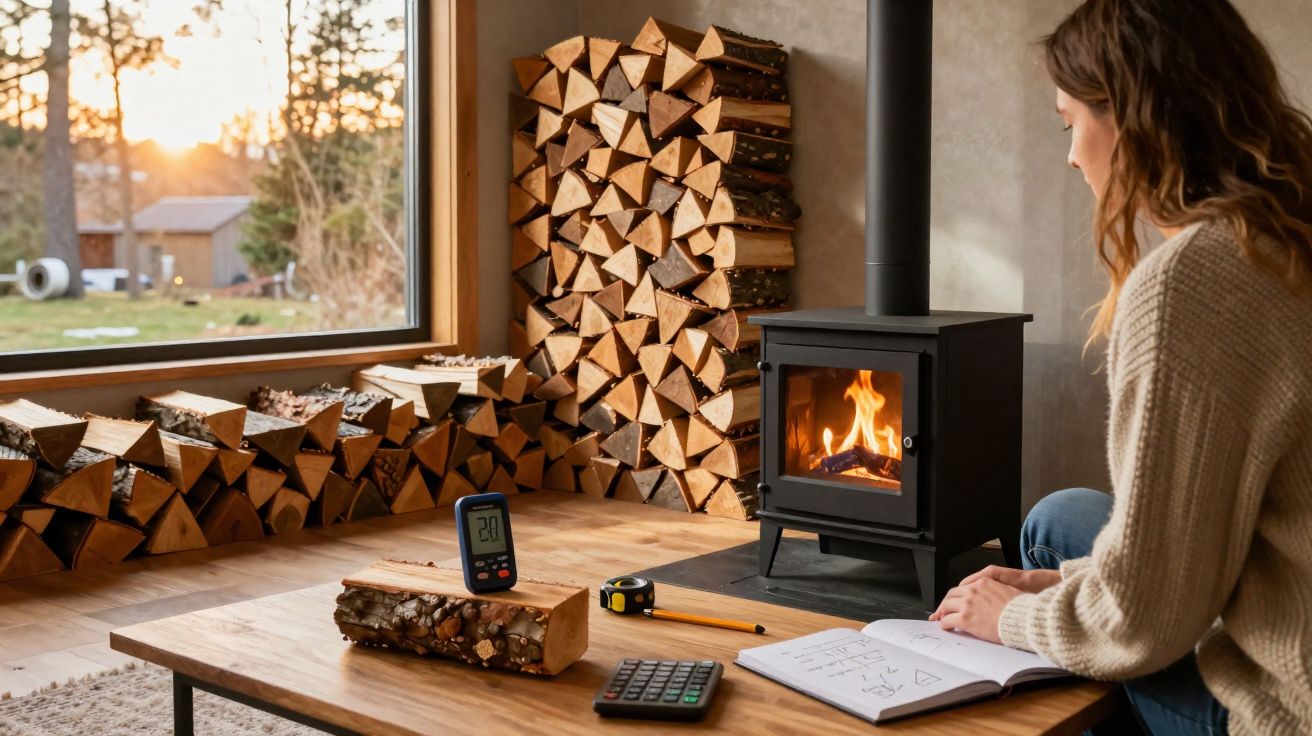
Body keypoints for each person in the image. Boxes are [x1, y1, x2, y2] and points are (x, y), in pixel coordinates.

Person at [926, 1, 1312, 734]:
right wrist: (1062, 585)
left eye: (1069, 123)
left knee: (1079, 628)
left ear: (1133, 118)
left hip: (1288, 700)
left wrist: (1013, 618)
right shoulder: (1288, 231)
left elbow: (1145, 622)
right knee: (1057, 520)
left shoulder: (1192, 281)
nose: (1072, 156)